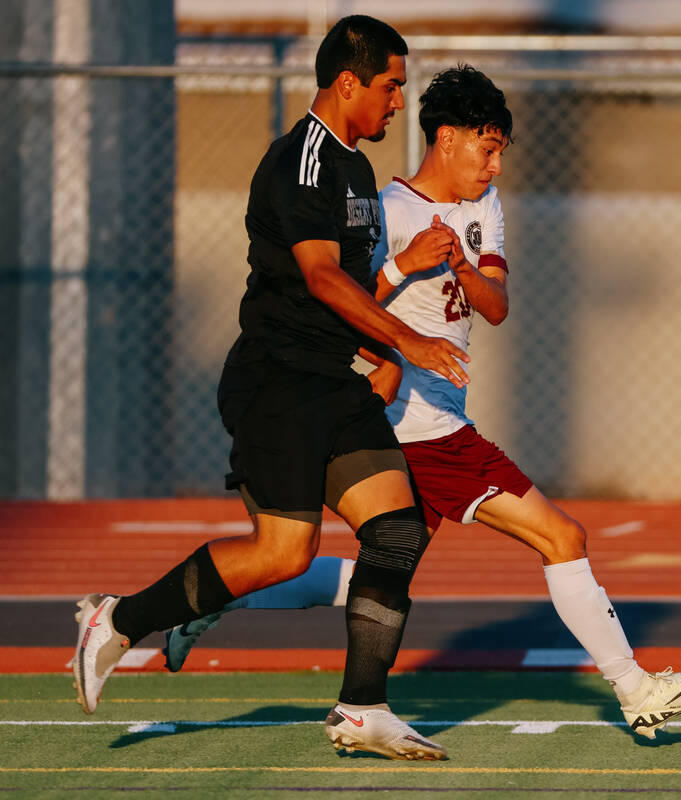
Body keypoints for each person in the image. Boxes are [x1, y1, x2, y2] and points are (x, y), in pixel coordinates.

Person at [161, 64, 681, 742]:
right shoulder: (385, 209)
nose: (493, 167)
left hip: (441, 422)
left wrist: (458, 264)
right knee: (562, 536)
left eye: (499, 154)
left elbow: (495, 305)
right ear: (447, 138)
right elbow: (342, 298)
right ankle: (636, 691)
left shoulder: (482, 208)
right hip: (418, 430)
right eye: (485, 150)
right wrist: (405, 270)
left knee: (371, 579)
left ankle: (209, 604)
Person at [72, 15, 460, 761]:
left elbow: (348, 284)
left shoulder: (356, 168)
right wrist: (405, 339)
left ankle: (362, 709)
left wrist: (380, 350)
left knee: (397, 530)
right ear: (348, 82)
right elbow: (318, 276)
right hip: (277, 382)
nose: (398, 103)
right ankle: (118, 621)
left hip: (331, 378)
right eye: (390, 87)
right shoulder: (303, 162)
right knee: (283, 553)